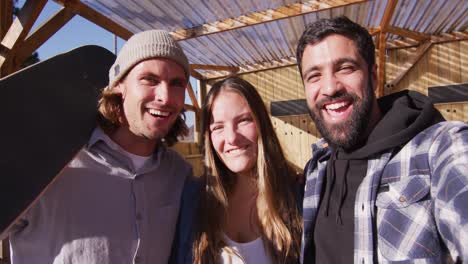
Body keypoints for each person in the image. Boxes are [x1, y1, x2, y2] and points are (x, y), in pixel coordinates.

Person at [6, 30, 193, 263]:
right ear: (118, 85)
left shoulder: (180, 174)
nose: (165, 96)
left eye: (177, 83)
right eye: (150, 80)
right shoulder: (50, 163)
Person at [296, 16, 468, 263]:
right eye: (314, 76)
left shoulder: (440, 149)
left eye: (345, 68)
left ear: (374, 76)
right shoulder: (316, 170)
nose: (330, 87)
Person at [171, 77, 302, 264]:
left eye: (244, 120)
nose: (232, 137)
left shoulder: (298, 196)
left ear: (262, 123)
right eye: (218, 127)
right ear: (209, 137)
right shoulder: (193, 200)